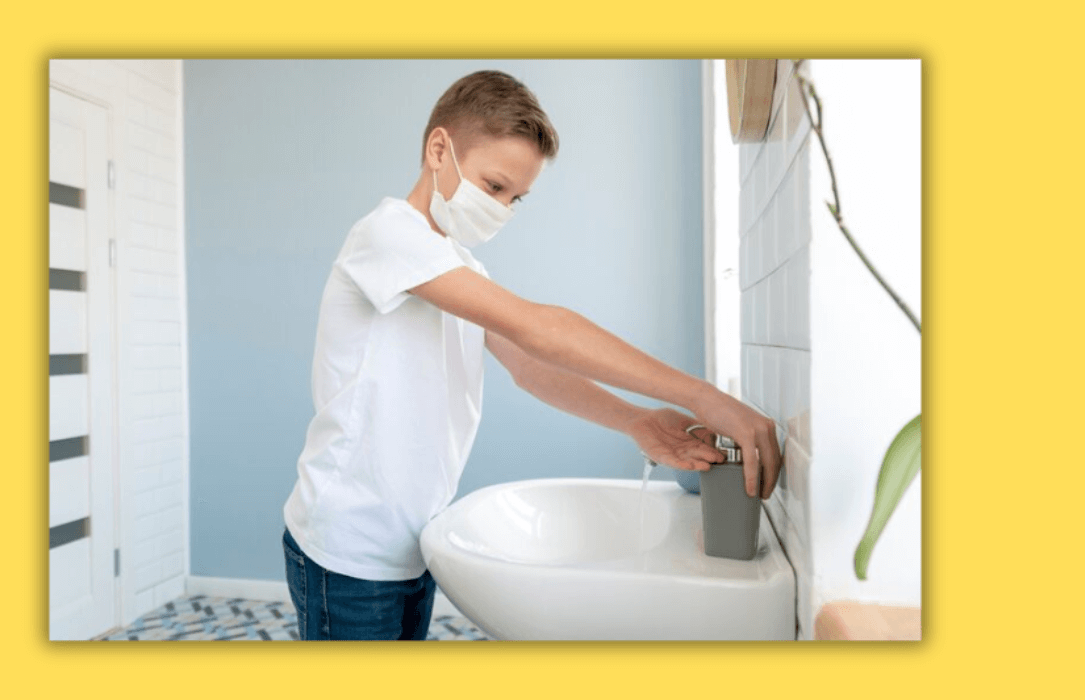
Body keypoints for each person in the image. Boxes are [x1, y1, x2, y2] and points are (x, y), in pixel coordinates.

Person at [281, 69, 781, 641]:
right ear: (438, 149)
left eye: (516, 199)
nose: (502, 209)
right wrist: (702, 396)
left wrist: (637, 421)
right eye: (494, 187)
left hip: (407, 543)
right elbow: (540, 329)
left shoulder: (460, 268)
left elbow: (530, 365)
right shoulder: (387, 235)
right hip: (348, 550)